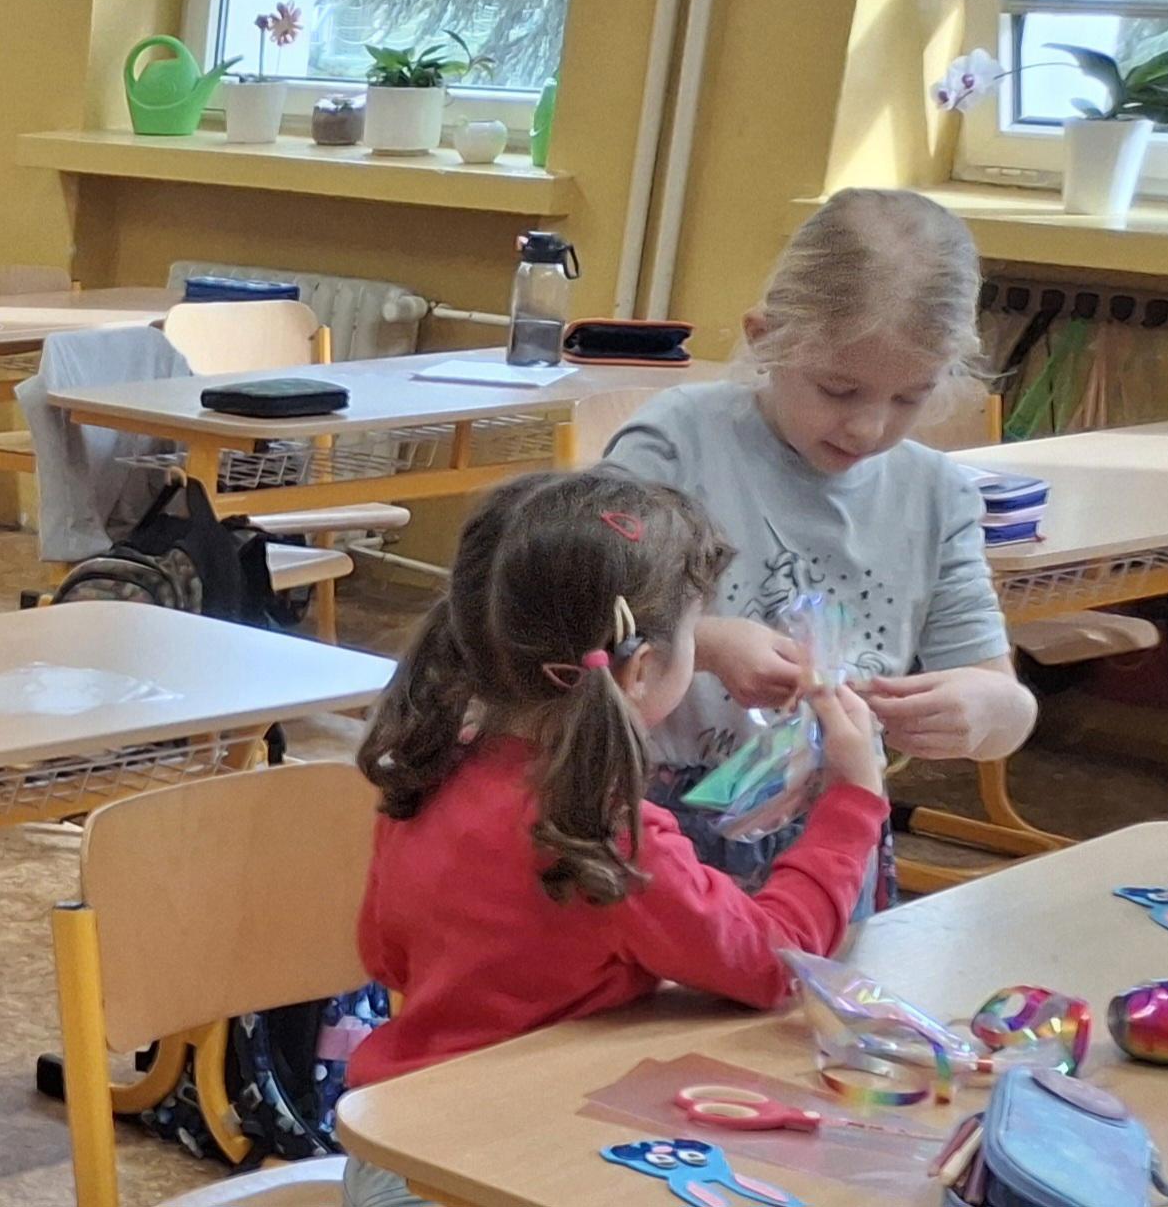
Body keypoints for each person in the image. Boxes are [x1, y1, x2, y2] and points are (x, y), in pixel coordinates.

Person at [343, 469, 889, 1207]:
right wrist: (854, 800)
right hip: (502, 1172)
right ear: (641, 670)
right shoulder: (595, 831)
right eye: (694, 634)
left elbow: (386, 956)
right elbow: (778, 961)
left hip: (389, 1150)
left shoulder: (428, 769)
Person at [598, 188, 1029, 896]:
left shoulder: (937, 495)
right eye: (838, 389)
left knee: (817, 971)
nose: (869, 427)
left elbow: (1003, 700)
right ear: (764, 337)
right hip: (650, 825)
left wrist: (984, 712)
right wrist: (704, 642)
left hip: (836, 826)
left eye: (909, 398)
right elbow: (569, 612)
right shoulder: (678, 442)